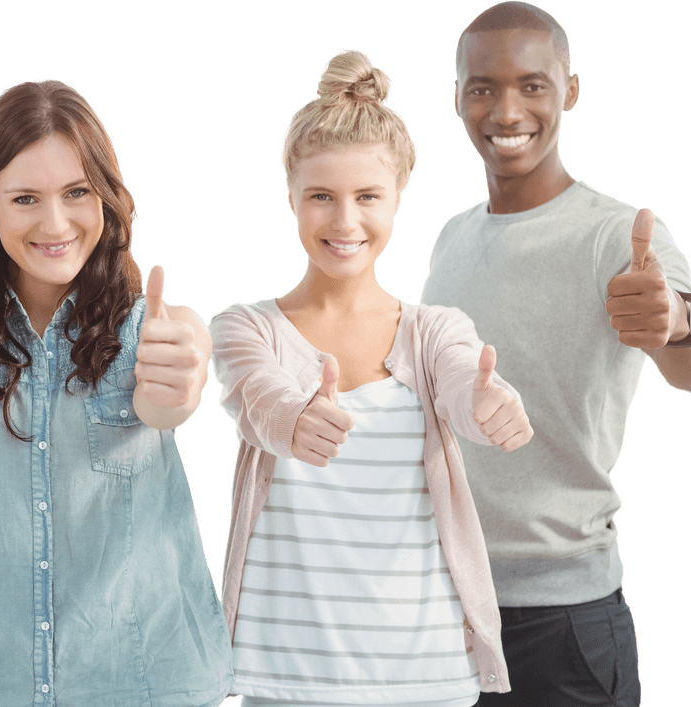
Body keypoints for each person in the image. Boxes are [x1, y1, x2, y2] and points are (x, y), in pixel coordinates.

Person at [0, 79, 233, 707]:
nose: (55, 222)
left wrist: (180, 382)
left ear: (107, 198)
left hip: (141, 683)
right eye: (25, 198)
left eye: (76, 193)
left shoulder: (162, 328)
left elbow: (172, 391)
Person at [210, 49, 533, 707]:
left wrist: (486, 401)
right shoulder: (246, 328)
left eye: (367, 197)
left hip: (427, 671)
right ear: (292, 198)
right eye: (321, 197)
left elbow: (462, 382)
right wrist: (294, 422)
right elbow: (257, 398)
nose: (344, 221)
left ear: (398, 197)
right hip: (286, 675)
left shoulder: (434, 330)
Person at [419, 3, 691, 705]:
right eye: (483, 88)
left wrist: (674, 325)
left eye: (532, 85)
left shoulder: (619, 233)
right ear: (457, 100)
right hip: (441, 608)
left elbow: (685, 357)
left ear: (570, 90)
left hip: (564, 623)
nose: (507, 109)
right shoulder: (450, 237)